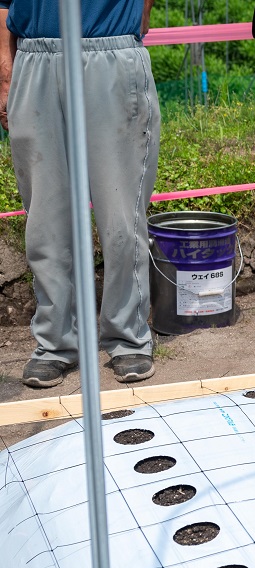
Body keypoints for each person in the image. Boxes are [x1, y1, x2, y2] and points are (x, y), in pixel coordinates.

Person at [0, 0, 160, 389]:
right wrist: (5, 73)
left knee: (121, 214)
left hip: (110, 50)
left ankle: (128, 335)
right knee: (46, 220)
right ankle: (55, 344)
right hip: (35, 55)